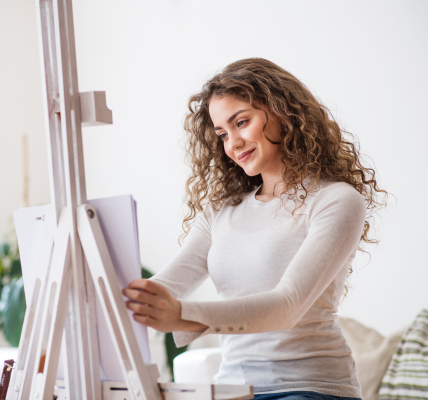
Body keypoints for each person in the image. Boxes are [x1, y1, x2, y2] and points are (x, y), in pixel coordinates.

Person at [121, 58, 387, 400]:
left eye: (241, 122)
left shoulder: (336, 201)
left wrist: (181, 315)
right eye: (222, 134)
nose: (232, 143)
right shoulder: (220, 212)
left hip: (308, 387)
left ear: (283, 111)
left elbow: (286, 306)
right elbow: (166, 286)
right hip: (233, 388)